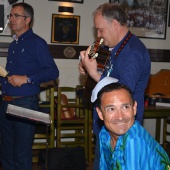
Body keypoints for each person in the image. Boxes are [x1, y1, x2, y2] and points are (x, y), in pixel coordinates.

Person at [78, 3, 151, 169]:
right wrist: (85, 67)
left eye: (100, 29)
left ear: (115, 24)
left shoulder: (133, 52)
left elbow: (123, 92)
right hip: (108, 128)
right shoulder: (115, 47)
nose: (98, 35)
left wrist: (94, 74)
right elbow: (110, 74)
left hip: (121, 130)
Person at [0, 2, 59, 170]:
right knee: (6, 152)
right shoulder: (14, 45)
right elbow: (12, 76)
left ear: (27, 20)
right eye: (10, 15)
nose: (11, 19)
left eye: (15, 15)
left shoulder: (36, 43)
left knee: (21, 154)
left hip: (24, 102)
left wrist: (26, 79)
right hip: (6, 102)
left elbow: (53, 72)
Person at [91, 77, 170, 169]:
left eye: (125, 107)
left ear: (134, 108)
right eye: (111, 109)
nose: (120, 117)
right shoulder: (104, 134)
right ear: (100, 114)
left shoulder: (134, 141)